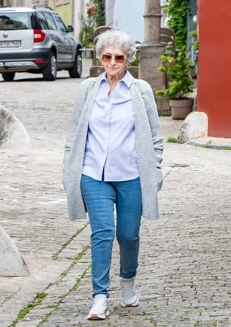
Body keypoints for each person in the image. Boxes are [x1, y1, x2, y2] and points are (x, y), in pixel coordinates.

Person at [62, 30, 164, 321]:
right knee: (102, 233)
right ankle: (100, 296)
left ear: (128, 59)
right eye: (107, 56)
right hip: (94, 173)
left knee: (128, 235)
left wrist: (155, 170)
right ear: (99, 58)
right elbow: (75, 132)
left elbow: (156, 137)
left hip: (131, 174)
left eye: (119, 57)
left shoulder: (140, 90)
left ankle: (128, 281)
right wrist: (69, 168)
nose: (113, 62)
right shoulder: (88, 89)